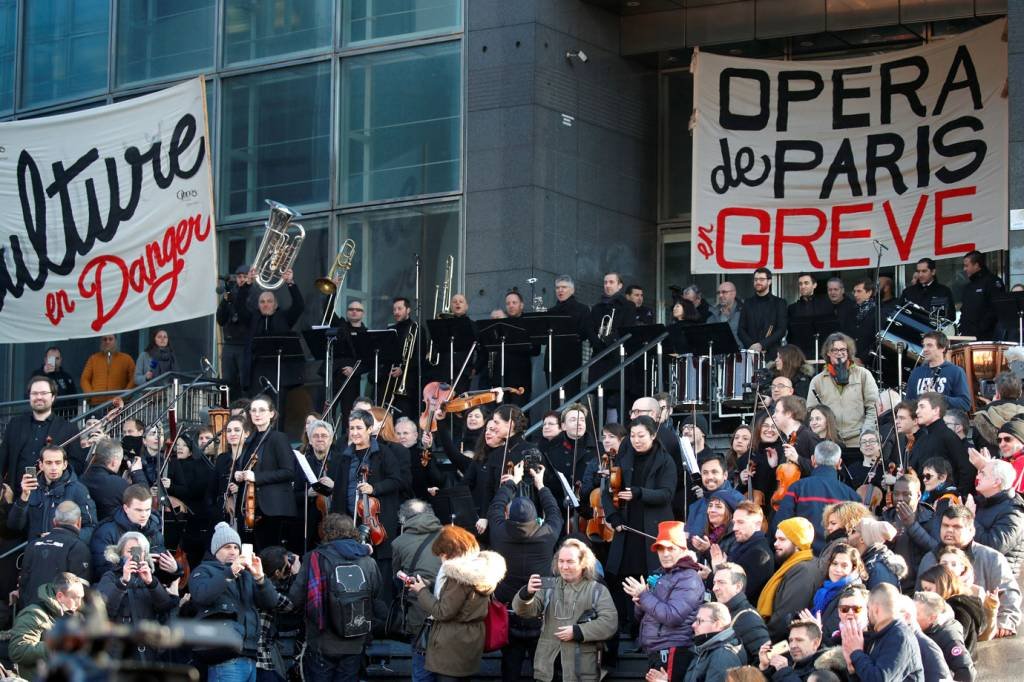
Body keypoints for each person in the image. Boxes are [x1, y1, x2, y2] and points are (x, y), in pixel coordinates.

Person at [487, 460, 564, 682]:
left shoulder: (499, 532)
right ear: (534, 518)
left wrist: (512, 482)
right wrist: (540, 485)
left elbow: (495, 506)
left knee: (510, 664)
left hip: (508, 609)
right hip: (540, 610)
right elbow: (553, 511)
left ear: (509, 516)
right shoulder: (547, 533)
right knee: (544, 665)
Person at [287, 513, 381, 680]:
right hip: (356, 638)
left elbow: (296, 598)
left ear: (325, 532)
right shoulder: (368, 560)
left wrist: (295, 574)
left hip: (322, 640)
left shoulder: (315, 557)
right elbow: (376, 593)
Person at [406, 524, 507, 680]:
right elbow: (458, 599)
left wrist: (421, 591)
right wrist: (429, 585)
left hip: (451, 645)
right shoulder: (478, 570)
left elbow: (443, 611)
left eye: (442, 554)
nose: (441, 559)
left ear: (451, 552)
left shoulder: (459, 578)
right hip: (469, 640)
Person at [602, 417, 677, 627]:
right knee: (624, 576)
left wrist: (638, 493)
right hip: (626, 526)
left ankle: (646, 628)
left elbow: (666, 494)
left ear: (653, 436)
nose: (636, 440)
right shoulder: (623, 457)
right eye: (633, 435)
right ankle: (627, 626)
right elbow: (607, 492)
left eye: (641, 436)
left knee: (650, 577)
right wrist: (613, 517)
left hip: (651, 527)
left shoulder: (665, 461)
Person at [513, 538, 617, 681]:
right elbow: (524, 611)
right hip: (547, 670)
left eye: (570, 561)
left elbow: (609, 623)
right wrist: (527, 594)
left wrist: (578, 631)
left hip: (580, 671)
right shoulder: (548, 585)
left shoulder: (597, 589)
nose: (564, 566)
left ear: (583, 563)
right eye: (561, 561)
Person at [190, 522, 281, 681]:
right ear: (215, 550)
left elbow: (271, 603)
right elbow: (202, 595)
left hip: (250, 655)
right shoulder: (203, 570)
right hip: (224, 657)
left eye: (236, 547)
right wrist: (230, 572)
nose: (233, 551)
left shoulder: (246, 575)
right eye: (227, 547)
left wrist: (260, 578)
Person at [917, 504, 1022, 637]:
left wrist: (1005, 622)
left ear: (971, 530)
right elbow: (919, 596)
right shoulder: (930, 559)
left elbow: (1009, 594)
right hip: (940, 633)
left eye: (956, 527)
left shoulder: (992, 558)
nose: (949, 530)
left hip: (984, 633)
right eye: (945, 525)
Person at [625, 521, 704, 668]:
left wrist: (644, 596)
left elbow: (672, 616)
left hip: (674, 651)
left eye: (670, 549)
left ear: (682, 549)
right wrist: (640, 603)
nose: (665, 554)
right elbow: (642, 617)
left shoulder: (688, 577)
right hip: (659, 650)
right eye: (661, 549)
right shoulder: (663, 574)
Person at [235, 268, 305, 426]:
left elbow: (299, 306)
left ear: (276, 304)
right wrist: (247, 285)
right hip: (256, 372)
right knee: (256, 409)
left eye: (269, 301)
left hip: (278, 372)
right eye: (262, 302)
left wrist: (290, 283)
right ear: (258, 305)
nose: (266, 304)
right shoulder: (253, 318)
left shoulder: (284, 318)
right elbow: (239, 307)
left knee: (277, 410)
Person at [234, 395, 300, 551]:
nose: (257, 414)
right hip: (252, 507)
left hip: (273, 509)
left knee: (270, 553)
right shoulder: (251, 440)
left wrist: (256, 477)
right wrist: (241, 475)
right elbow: (250, 468)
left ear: (271, 414)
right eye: (254, 410)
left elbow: (289, 471)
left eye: (262, 410)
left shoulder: (278, 438)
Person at [96, 531, 176, 658]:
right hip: (120, 647)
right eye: (130, 551)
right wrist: (123, 581)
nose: (135, 556)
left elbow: (165, 607)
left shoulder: (150, 577)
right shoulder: (110, 576)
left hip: (147, 646)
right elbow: (105, 609)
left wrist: (151, 583)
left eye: (139, 551)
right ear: (120, 553)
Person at [773, 441, 860, 552]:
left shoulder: (798, 487)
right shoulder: (852, 496)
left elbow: (781, 523)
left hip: (802, 556)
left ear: (813, 460)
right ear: (839, 463)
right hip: (836, 559)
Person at [391, 499, 443, 680]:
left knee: (422, 669)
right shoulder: (451, 536)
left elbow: (395, 576)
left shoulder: (398, 542)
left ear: (404, 519)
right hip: (450, 610)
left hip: (419, 614)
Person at [1, 376, 81, 491]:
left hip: (50, 497)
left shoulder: (68, 428)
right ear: (29, 397)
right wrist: (4, 489)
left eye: (43, 393)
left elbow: (76, 465)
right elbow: (3, 458)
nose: (39, 397)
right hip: (16, 497)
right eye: (34, 393)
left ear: (53, 397)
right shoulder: (15, 424)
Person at [9, 444, 96, 543]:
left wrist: (62, 537)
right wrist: (24, 497)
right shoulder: (31, 488)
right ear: (41, 465)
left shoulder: (79, 490)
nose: (53, 467)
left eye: (58, 463)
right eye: (49, 463)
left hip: (65, 553)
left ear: (65, 464)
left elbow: (91, 528)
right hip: (36, 551)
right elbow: (14, 526)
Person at [90, 484, 177, 582]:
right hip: (119, 590)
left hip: (148, 589)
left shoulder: (154, 528)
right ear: (126, 508)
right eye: (138, 510)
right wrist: (132, 564)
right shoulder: (106, 531)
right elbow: (101, 570)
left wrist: (174, 570)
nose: (144, 515)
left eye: (147, 510)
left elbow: (159, 576)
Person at [807, 333, 880, 448]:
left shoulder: (863, 374)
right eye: (834, 350)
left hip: (858, 440)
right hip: (830, 442)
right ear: (828, 353)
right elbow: (811, 411)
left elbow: (873, 407)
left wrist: (866, 432)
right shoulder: (817, 380)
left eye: (842, 349)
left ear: (848, 352)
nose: (839, 353)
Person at [840, 583, 924, 681]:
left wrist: (856, 652)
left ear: (876, 609)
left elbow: (879, 679)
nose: (868, 613)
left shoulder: (900, 637)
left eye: (868, 608)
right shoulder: (882, 634)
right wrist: (852, 668)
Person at [16, 501, 91, 610]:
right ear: (79, 522)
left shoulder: (32, 545)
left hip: (29, 616)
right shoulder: (79, 548)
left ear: (54, 522)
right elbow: (80, 594)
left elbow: (23, 584)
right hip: (59, 622)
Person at [8, 572, 86, 671]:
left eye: (81, 598)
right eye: (76, 598)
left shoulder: (74, 616)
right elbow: (17, 651)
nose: (79, 604)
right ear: (60, 596)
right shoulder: (34, 614)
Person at [759, 518, 818, 640]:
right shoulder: (793, 565)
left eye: (782, 539)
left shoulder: (803, 570)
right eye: (776, 539)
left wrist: (763, 640)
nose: (775, 543)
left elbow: (786, 615)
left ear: (797, 543)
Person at [881, 473, 938, 590]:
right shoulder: (887, 517)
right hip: (891, 584)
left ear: (918, 495)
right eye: (896, 494)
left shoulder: (930, 518)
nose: (900, 498)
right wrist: (889, 539)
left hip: (918, 584)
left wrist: (912, 526)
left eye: (907, 494)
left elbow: (936, 549)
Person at [911, 392, 975, 495]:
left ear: (936, 410)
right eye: (917, 407)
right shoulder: (923, 438)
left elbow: (967, 469)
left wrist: (957, 495)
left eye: (922, 407)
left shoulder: (948, 436)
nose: (917, 411)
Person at [970, 459, 1024, 576]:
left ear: (996, 482)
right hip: (977, 572)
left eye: (983, 473)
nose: (978, 476)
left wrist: (970, 518)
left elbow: (993, 548)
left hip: (999, 582)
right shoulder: (980, 502)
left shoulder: (1014, 512)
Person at [713, 501, 774, 602]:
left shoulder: (760, 554)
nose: (735, 528)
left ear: (757, 524)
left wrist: (715, 572)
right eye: (734, 523)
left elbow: (737, 594)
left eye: (741, 522)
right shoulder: (745, 546)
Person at [918, 564, 986, 654]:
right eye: (924, 589)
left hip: (956, 663)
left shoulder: (957, 607)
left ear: (942, 584)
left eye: (928, 589)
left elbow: (955, 640)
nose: (925, 593)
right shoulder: (965, 604)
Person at [712, 562, 770, 663]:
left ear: (738, 587)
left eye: (721, 582)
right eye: (714, 583)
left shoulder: (748, 618)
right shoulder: (727, 612)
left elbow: (765, 660)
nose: (714, 588)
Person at [809, 543, 866, 644]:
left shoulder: (851, 596)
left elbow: (831, 635)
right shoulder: (825, 589)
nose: (838, 569)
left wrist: (814, 629)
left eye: (844, 565)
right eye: (834, 563)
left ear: (853, 568)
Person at [914, 591, 976, 682]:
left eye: (917, 614)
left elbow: (966, 671)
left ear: (932, 618)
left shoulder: (948, 636)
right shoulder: (918, 628)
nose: (911, 616)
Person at [81, 438, 146, 522]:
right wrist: (137, 473)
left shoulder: (82, 478)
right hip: (112, 532)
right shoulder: (117, 484)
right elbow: (143, 499)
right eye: (120, 460)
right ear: (114, 462)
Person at [680, 602, 747, 682]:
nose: (693, 625)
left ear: (717, 625)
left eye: (699, 621)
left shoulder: (722, 656)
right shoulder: (706, 649)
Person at [905, 332, 971, 411]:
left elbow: (965, 404)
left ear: (942, 348)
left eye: (929, 345)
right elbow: (908, 403)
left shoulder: (955, 371)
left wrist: (939, 398)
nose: (924, 349)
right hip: (920, 421)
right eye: (924, 346)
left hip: (945, 421)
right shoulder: (916, 372)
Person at [548, 275, 591, 397]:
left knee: (571, 398)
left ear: (572, 290)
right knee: (554, 398)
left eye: (564, 287)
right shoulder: (551, 311)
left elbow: (584, 333)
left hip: (571, 359)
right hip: (552, 360)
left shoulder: (582, 309)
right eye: (557, 288)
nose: (560, 290)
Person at [217, 265, 252, 396]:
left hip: (245, 344)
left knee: (244, 382)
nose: (241, 279)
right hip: (230, 343)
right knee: (227, 382)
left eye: (244, 276)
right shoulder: (231, 292)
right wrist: (225, 302)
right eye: (239, 277)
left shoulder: (253, 292)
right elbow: (220, 320)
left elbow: (248, 316)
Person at [739, 267, 787, 359]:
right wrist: (753, 346)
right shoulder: (747, 303)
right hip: (751, 354)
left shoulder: (779, 303)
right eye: (756, 279)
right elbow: (741, 329)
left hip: (772, 355)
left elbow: (781, 330)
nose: (758, 282)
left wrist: (762, 345)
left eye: (761, 279)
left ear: (769, 281)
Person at [757, 619, 825, 681]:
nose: (792, 645)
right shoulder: (786, 663)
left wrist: (784, 672)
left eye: (799, 640)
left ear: (815, 643)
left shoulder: (824, 670)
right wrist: (764, 667)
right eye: (791, 640)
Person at [971, 373, 1024, 453]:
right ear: (1020, 393)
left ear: (997, 393)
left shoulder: (982, 415)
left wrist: (991, 406)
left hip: (992, 463)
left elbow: (977, 444)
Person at [848, 518, 907, 590]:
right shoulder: (869, 562)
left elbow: (882, 599)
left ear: (862, 539)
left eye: (854, 531)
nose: (849, 534)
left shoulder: (878, 570)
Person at [959, 250, 1004, 340]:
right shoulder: (968, 286)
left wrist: (981, 328)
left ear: (976, 265)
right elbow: (964, 310)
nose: (964, 269)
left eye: (967, 266)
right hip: (966, 336)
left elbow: (996, 309)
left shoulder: (992, 281)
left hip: (987, 337)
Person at [80, 334, 136, 404]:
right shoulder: (93, 359)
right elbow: (84, 379)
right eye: (105, 339)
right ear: (101, 341)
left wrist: (124, 396)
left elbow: (134, 379)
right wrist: (91, 395)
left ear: (115, 341)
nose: (107, 342)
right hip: (97, 404)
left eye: (110, 339)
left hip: (118, 404)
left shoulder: (126, 359)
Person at [849, 279, 878, 367]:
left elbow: (878, 340)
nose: (855, 295)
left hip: (870, 362)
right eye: (854, 291)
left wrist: (862, 358)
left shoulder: (878, 312)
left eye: (859, 291)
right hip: (852, 359)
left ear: (869, 292)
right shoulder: (852, 310)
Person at [707, 280, 743, 347]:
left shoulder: (743, 312)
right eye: (718, 293)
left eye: (724, 292)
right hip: (717, 355)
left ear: (733, 294)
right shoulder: (712, 314)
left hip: (739, 355)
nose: (720, 295)